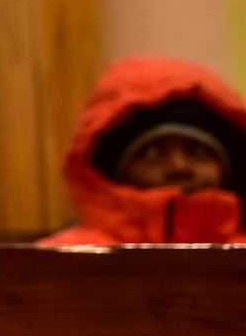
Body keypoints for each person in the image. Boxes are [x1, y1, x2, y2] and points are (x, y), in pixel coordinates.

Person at [39, 55, 246, 245]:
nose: (178, 166)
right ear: (111, 170)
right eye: (152, 153)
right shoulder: (55, 266)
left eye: (198, 152)